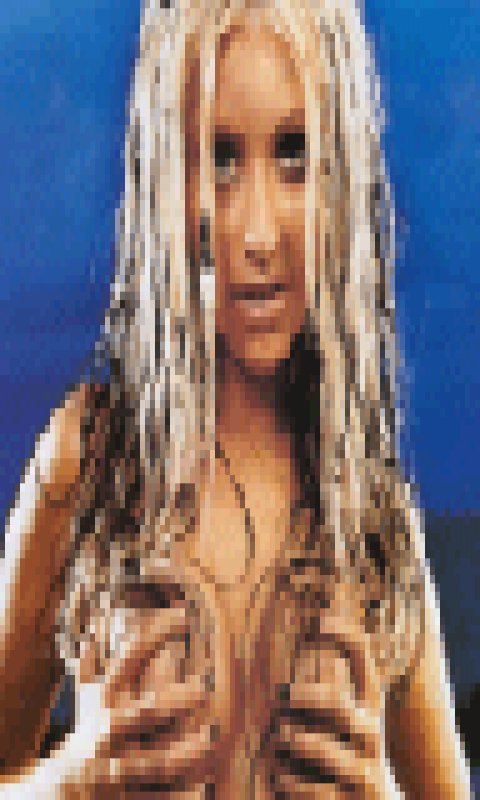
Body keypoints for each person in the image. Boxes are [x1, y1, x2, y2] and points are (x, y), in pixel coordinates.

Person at [1, 0, 472, 796]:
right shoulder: (92, 462)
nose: (257, 234)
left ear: (344, 177)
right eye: (218, 158)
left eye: (295, 154)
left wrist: (380, 792)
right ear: (164, 176)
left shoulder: (368, 507)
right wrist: (73, 779)